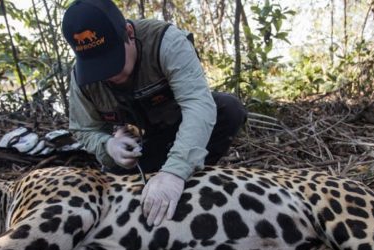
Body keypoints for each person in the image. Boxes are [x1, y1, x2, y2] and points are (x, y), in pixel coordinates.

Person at [62, 0, 247, 227]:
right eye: (99, 66)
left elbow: (197, 104)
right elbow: (83, 128)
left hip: (181, 130)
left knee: (228, 109)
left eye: (113, 60)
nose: (109, 74)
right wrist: (108, 146)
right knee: (117, 208)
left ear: (129, 33)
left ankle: (190, 177)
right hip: (140, 150)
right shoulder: (81, 77)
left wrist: (175, 172)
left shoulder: (166, 42)